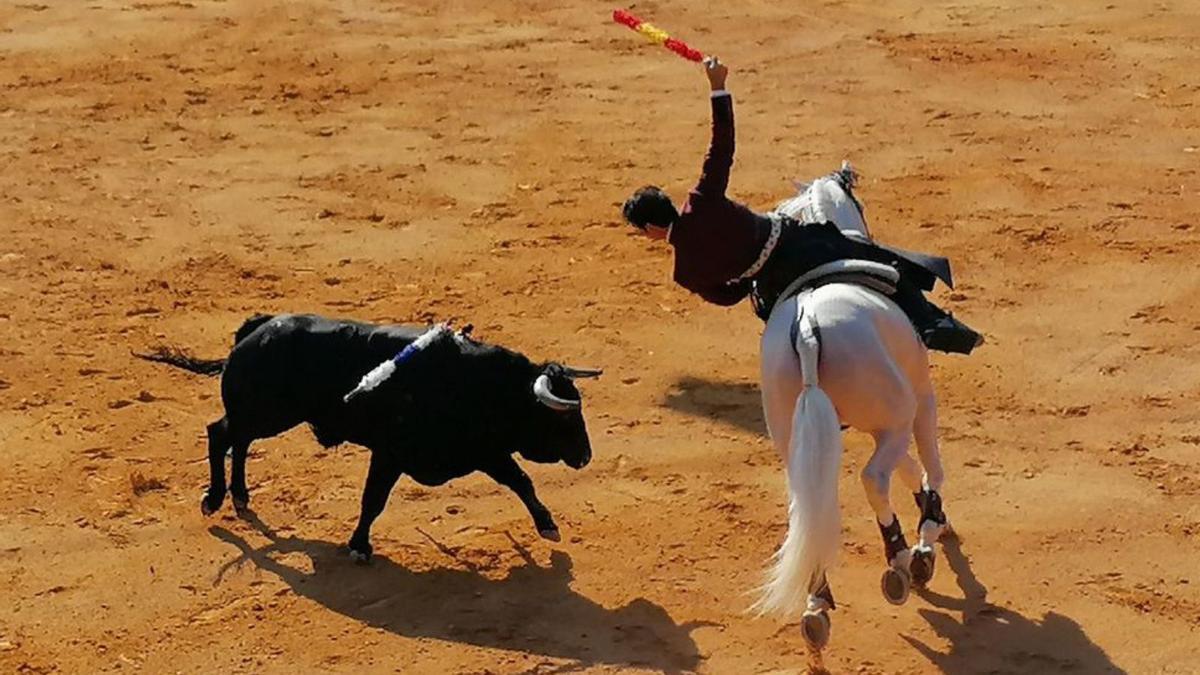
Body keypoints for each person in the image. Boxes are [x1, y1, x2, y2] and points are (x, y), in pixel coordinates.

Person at [621, 57, 982, 354]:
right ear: (667, 204)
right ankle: (933, 322)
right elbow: (721, 147)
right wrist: (718, 87)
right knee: (878, 263)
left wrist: (750, 278)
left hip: (769, 284)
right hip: (797, 245)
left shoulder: (684, 272)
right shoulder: (702, 200)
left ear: (650, 230)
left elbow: (727, 297)